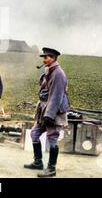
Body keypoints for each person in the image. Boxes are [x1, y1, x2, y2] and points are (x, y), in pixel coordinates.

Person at [24, 47, 70, 178]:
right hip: (43, 110)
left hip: (52, 112)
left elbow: (56, 95)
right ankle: (38, 162)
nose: (44, 59)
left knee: (52, 139)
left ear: (53, 58)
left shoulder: (58, 73)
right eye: (43, 57)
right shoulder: (49, 71)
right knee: (34, 133)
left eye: (46, 57)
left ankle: (51, 168)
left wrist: (49, 115)